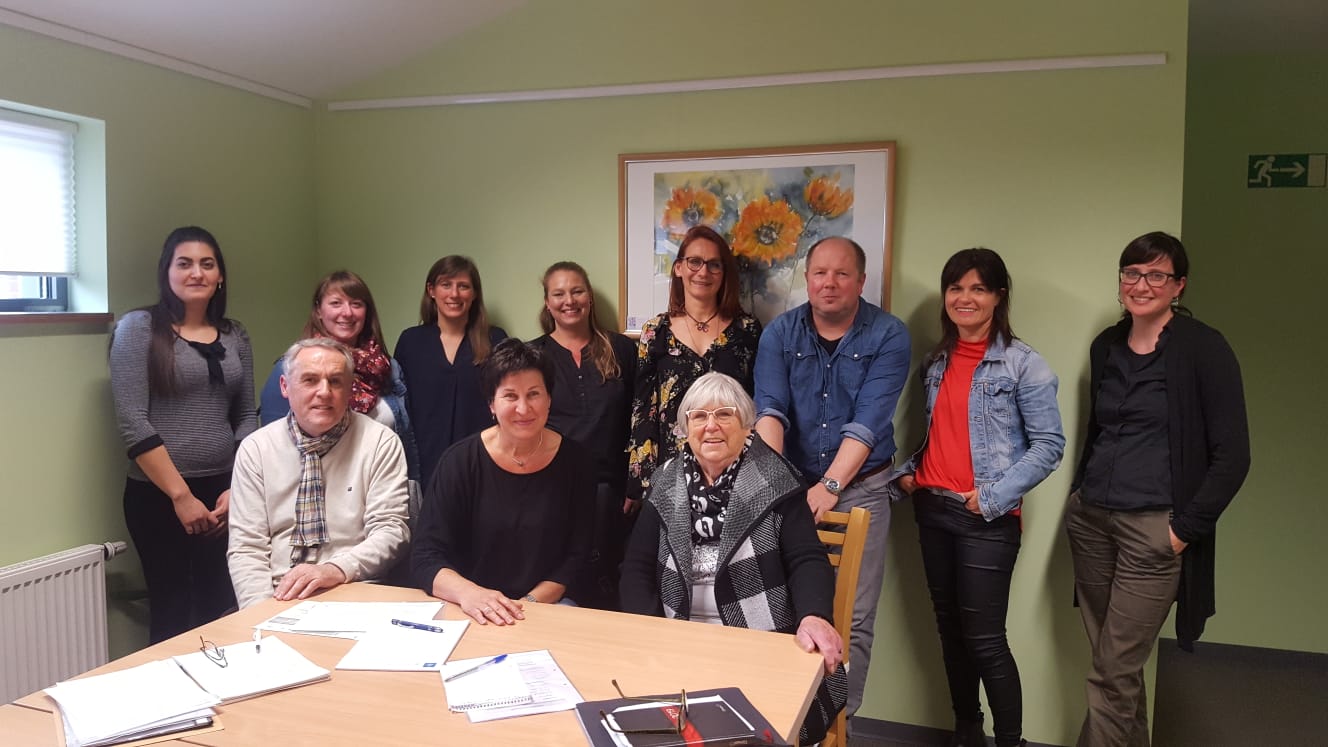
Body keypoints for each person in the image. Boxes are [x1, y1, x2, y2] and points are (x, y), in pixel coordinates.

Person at [1066, 232, 1249, 747]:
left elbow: (1234, 456)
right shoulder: (1107, 344)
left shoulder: (1203, 349)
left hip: (1154, 529)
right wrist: (1079, 497)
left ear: (1178, 286)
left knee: (1111, 672)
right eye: (1131, 273)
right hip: (1092, 521)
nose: (1141, 284)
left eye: (1156, 275)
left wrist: (1182, 530)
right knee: (1114, 665)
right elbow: (1098, 431)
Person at [893, 248, 1065, 747]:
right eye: (956, 288)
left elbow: (1050, 445)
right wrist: (911, 475)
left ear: (998, 296)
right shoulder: (936, 362)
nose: (964, 298)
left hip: (985, 519)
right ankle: (967, 731)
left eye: (977, 289)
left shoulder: (1023, 365)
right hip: (932, 511)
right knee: (951, 633)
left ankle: (1010, 741)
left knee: (987, 641)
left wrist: (992, 496)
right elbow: (940, 435)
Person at [620, 372, 846, 745]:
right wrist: (649, 633)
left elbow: (807, 559)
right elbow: (637, 567)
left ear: (747, 426)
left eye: (725, 415)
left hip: (757, 644)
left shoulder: (778, 479)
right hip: (678, 639)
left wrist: (815, 616)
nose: (712, 427)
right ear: (684, 428)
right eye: (699, 416)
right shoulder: (665, 480)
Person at [753, 235, 910, 720]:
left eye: (842, 274)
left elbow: (868, 423)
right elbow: (770, 411)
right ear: (807, 278)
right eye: (820, 272)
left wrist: (830, 489)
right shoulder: (780, 333)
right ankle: (784, 718)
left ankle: (838, 721)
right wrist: (781, 488)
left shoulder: (888, 334)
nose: (830, 283)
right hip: (793, 483)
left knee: (854, 617)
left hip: (861, 489)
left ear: (861, 281)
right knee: (782, 608)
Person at [109, 226, 256, 642]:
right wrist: (181, 497)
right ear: (167, 272)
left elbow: (246, 415)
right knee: (173, 611)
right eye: (185, 263)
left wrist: (238, 487)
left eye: (207, 264)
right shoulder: (138, 328)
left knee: (220, 607)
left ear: (220, 275)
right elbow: (132, 422)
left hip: (226, 494)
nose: (197, 273)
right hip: (159, 497)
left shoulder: (235, 334)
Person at [411, 339, 594, 625]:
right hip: (470, 604)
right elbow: (425, 557)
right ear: (491, 404)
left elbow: (577, 557)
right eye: (510, 396)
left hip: (546, 603)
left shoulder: (576, 462)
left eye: (534, 394)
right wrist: (471, 595)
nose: (523, 408)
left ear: (549, 399)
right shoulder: (459, 462)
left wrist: (526, 605)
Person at [228, 339, 411, 608]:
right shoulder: (256, 449)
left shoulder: (380, 442)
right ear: (285, 388)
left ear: (350, 389)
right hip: (278, 593)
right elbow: (247, 547)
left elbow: (391, 531)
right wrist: (260, 614)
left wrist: (334, 570)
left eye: (336, 381)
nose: (324, 392)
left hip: (353, 588)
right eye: (310, 380)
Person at [626, 225, 762, 509]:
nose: (703, 272)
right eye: (695, 262)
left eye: (714, 265)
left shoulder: (746, 330)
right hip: (671, 475)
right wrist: (640, 484)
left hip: (732, 472)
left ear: (724, 273)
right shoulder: (656, 331)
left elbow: (755, 406)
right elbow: (643, 410)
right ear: (678, 268)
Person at [528, 261, 636, 610]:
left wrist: (633, 484)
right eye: (558, 293)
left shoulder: (621, 349)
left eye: (576, 291)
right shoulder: (533, 355)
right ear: (547, 302)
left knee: (610, 590)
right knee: (563, 584)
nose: (569, 300)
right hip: (552, 490)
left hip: (613, 493)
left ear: (589, 296)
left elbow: (638, 420)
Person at [259, 270, 419, 480]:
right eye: (336, 303)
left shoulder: (389, 368)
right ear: (318, 311)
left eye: (356, 304)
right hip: (320, 490)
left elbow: (407, 439)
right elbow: (276, 448)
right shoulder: (291, 368)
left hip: (385, 487)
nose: (347, 313)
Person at [394, 256, 508, 488]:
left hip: (484, 466)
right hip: (425, 468)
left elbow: (506, 401)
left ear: (474, 294)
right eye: (446, 284)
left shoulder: (495, 339)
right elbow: (400, 407)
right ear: (431, 290)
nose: (454, 294)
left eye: (463, 286)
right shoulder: (411, 342)